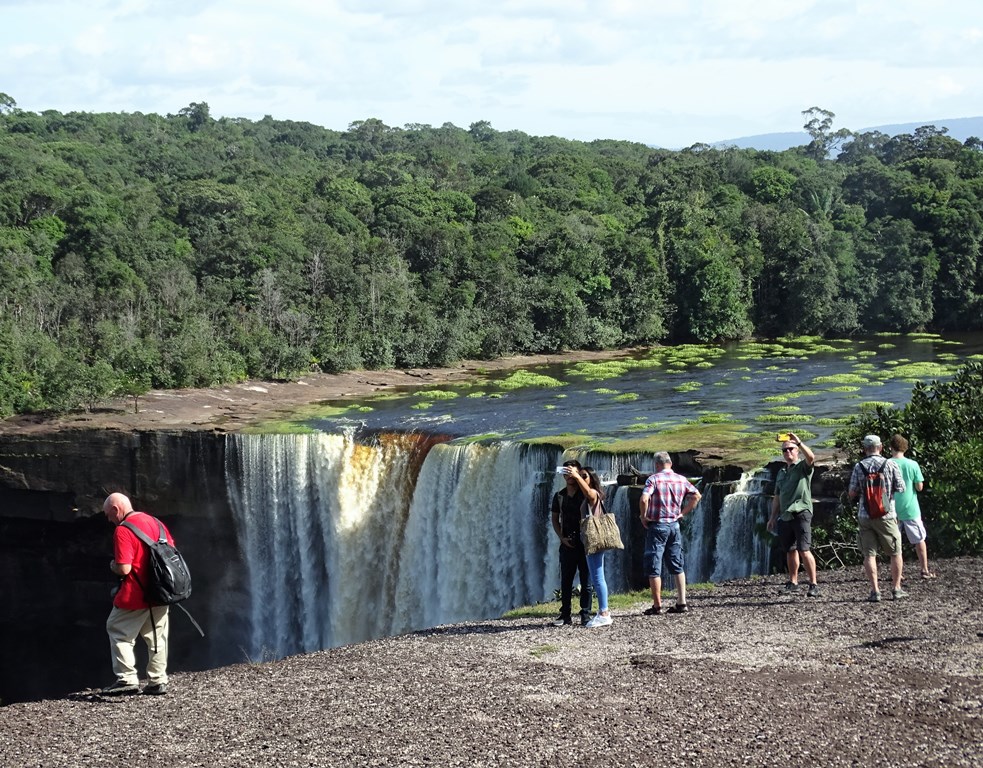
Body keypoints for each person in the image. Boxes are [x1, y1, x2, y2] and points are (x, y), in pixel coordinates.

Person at [100, 492, 173, 695]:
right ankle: (157, 680)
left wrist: (112, 565)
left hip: (135, 593)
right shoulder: (156, 523)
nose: (108, 519)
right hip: (160, 591)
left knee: (117, 630)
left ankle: (126, 679)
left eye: (108, 514)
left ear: (116, 509)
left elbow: (124, 568)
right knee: (157, 636)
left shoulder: (123, 530)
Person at [639, 451, 701, 614]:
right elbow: (696, 496)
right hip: (674, 525)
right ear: (670, 464)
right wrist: (683, 513)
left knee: (654, 564)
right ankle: (682, 602)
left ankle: (657, 606)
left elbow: (644, 499)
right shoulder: (681, 479)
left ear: (657, 465)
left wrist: (643, 516)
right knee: (677, 564)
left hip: (657, 526)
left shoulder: (653, 479)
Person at [848, 435, 907, 602]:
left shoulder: (859, 467)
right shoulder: (890, 464)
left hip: (865, 515)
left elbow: (852, 492)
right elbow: (901, 488)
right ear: (880, 447)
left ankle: (875, 591)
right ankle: (896, 589)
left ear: (865, 448)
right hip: (887, 515)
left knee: (869, 554)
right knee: (895, 552)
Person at [766, 432, 820, 597]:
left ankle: (813, 584)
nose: (788, 452)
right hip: (785, 515)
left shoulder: (803, 467)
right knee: (790, 550)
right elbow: (777, 496)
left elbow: (811, 458)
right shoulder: (781, 472)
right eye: (784, 450)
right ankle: (793, 582)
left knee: (804, 549)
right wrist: (772, 517)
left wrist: (800, 442)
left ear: (796, 451)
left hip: (801, 512)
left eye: (791, 449)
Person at [550, 460, 593, 626]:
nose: (569, 476)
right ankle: (565, 614)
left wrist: (577, 475)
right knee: (566, 582)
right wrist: (561, 537)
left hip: (586, 543)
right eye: (566, 472)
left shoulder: (585, 493)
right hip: (567, 543)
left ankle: (585, 614)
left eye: (572, 473)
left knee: (586, 581)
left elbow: (592, 495)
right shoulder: (559, 496)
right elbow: (554, 519)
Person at [889, 433, 935, 579]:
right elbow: (919, 486)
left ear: (891, 447)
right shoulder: (912, 464)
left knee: (895, 545)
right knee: (919, 540)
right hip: (910, 507)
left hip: (892, 508)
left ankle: (897, 574)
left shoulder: (887, 463)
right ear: (905, 448)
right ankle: (924, 570)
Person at [580, 467, 613, 629]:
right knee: (597, 576)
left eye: (584, 476)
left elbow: (588, 492)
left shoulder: (592, 493)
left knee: (598, 577)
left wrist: (575, 476)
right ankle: (603, 611)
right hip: (592, 539)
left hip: (594, 539)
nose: (581, 478)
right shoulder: (592, 495)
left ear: (591, 479)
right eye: (580, 476)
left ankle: (604, 613)